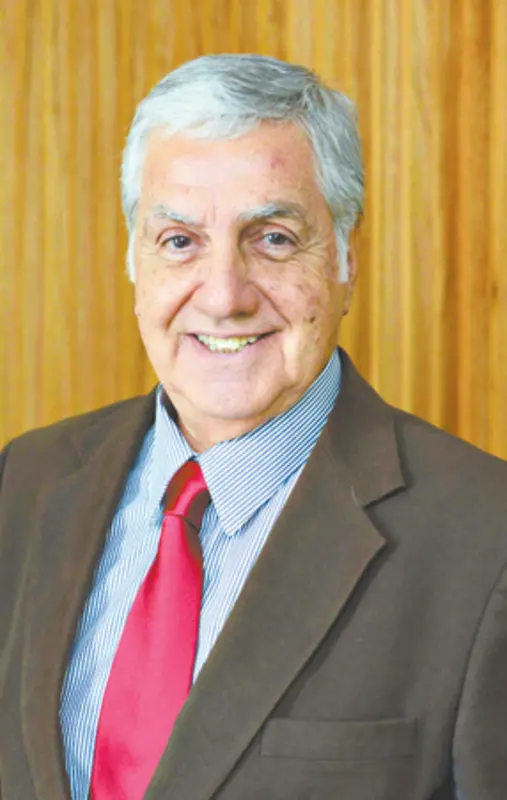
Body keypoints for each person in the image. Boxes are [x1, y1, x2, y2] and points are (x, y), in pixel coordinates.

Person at [0, 53, 506, 800]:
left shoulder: (486, 538)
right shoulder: (24, 481)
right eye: (180, 241)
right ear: (134, 260)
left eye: (272, 238)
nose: (224, 296)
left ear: (344, 258)